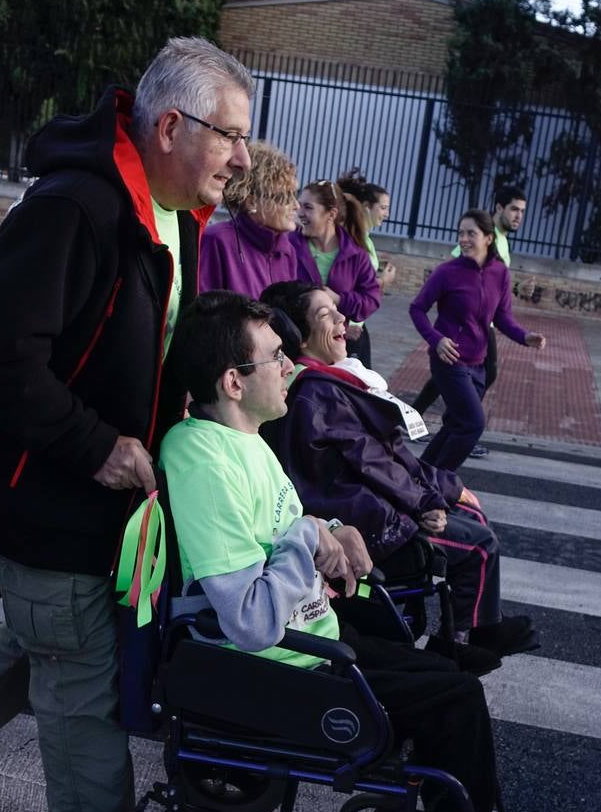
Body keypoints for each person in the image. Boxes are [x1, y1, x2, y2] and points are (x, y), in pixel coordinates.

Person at [0, 37, 253, 812]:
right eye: (229, 134)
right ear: (169, 126)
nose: (241, 157)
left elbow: (155, 342)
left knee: (50, 639)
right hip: (41, 492)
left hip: (109, 497)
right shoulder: (74, 208)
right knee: (81, 685)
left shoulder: (176, 214)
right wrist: (95, 445)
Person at [159, 290, 556, 812]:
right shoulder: (204, 462)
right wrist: (309, 539)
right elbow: (248, 620)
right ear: (234, 382)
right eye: (274, 357)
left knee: (448, 676)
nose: (291, 365)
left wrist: (335, 533)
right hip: (283, 664)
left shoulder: (247, 443)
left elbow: (287, 531)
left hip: (314, 636)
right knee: (454, 702)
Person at [259, 280, 538, 664]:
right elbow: (374, 462)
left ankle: (473, 629)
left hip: (371, 504)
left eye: (337, 308)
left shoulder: (332, 380)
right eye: (325, 314)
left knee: (473, 515)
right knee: (478, 545)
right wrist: (424, 503)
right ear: (299, 336)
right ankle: (459, 642)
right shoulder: (318, 391)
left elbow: (389, 456)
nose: (342, 317)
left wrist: (445, 487)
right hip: (370, 520)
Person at [409, 210, 545, 472]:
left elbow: (503, 318)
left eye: (471, 233)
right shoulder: (447, 272)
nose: (464, 239)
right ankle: (440, 483)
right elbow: (417, 309)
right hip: (449, 361)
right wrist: (436, 340)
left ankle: (420, 476)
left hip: (478, 366)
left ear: (488, 238)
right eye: (461, 233)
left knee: (456, 425)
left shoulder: (500, 274)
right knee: (473, 423)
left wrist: (524, 337)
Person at [290, 179, 379, 368]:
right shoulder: (288, 246)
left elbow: (371, 301)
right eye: (299, 206)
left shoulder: (356, 255)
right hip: (294, 348)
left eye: (308, 207)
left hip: (333, 351)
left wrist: (339, 300)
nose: (299, 213)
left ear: (331, 213)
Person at [198, 140, 298, 298]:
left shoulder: (287, 251)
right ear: (251, 201)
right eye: (284, 198)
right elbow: (203, 311)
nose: (296, 205)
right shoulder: (217, 240)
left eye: (294, 195)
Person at [337, 168, 396, 291]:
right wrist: (383, 281)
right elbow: (353, 286)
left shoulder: (366, 239)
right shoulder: (350, 238)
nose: (387, 214)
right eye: (383, 208)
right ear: (366, 206)